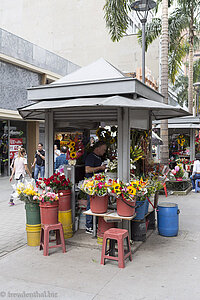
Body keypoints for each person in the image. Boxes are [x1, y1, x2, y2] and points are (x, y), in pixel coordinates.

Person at [85, 141, 107, 234]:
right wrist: (100, 168)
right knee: (91, 204)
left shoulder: (99, 157)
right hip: (91, 184)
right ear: (97, 149)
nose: (104, 151)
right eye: (103, 149)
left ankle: (94, 224)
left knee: (96, 204)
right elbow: (87, 169)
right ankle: (89, 226)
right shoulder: (91, 157)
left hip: (97, 184)